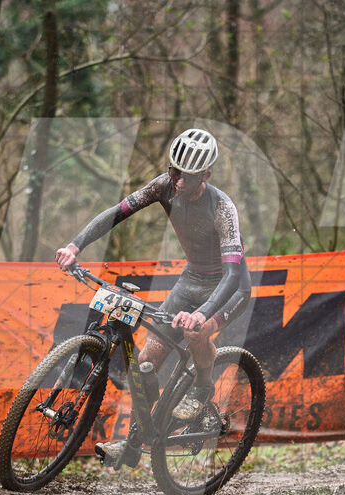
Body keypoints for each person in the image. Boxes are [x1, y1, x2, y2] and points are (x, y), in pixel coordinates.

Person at [55, 128, 251, 467]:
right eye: (173, 170)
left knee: (194, 332)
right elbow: (117, 213)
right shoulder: (163, 185)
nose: (176, 181)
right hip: (190, 281)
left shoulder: (222, 208)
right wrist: (76, 245)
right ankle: (133, 446)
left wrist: (202, 314)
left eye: (186, 176)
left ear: (205, 175)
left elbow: (233, 275)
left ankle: (203, 389)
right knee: (145, 365)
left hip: (228, 288)